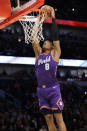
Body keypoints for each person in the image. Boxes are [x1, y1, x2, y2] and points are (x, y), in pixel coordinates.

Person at [32, 5, 67, 131]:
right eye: (44, 41)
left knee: (59, 119)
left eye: (47, 41)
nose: (44, 42)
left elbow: (56, 37)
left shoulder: (55, 53)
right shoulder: (39, 55)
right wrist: (38, 20)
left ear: (52, 46)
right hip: (41, 91)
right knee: (48, 120)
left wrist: (53, 19)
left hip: (53, 90)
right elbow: (34, 39)